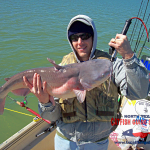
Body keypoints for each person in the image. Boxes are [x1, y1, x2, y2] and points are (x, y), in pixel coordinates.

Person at [23, 15, 149, 150]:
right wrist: (45, 102)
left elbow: (139, 92)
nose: (80, 42)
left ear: (93, 36)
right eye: (74, 38)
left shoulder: (110, 65)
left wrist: (128, 55)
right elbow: (52, 117)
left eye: (85, 36)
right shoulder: (61, 70)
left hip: (98, 143)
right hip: (65, 141)